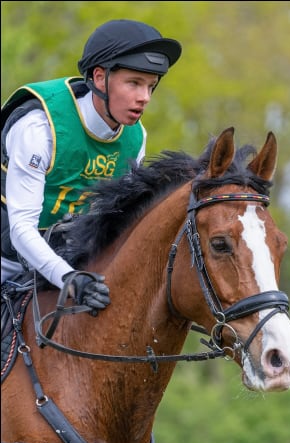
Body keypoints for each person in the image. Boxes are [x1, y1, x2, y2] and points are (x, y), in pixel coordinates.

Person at [1, 19, 182, 311]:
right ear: (99, 78)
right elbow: (21, 229)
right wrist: (70, 279)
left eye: (151, 86)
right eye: (134, 83)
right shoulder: (39, 127)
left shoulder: (136, 138)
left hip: (72, 257)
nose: (144, 98)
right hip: (8, 259)